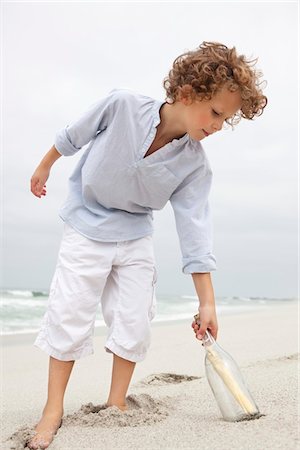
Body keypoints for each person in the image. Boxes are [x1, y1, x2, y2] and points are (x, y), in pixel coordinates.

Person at [28, 41, 267, 449]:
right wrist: (45, 164)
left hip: (135, 233)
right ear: (188, 93)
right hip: (87, 224)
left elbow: (195, 232)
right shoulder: (122, 105)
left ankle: (116, 402)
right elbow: (75, 134)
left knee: (135, 318)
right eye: (215, 113)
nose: (217, 127)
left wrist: (207, 302)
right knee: (70, 313)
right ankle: (53, 408)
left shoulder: (193, 164)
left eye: (225, 120)